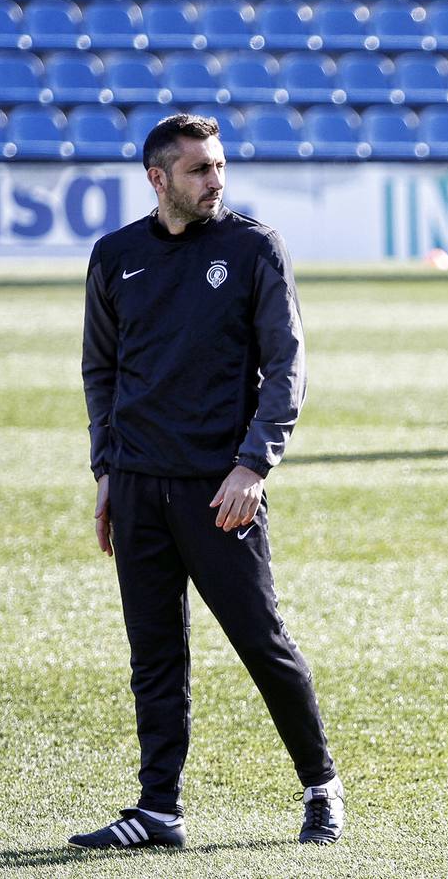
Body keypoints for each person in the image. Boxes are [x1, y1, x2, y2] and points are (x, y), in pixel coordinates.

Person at [74, 114, 343, 849]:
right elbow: (102, 370)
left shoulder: (255, 248)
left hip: (220, 489)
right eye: (198, 169)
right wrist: (107, 472)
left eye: (219, 166)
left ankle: (321, 786)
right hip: (136, 486)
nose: (215, 180)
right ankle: (157, 810)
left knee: (262, 641)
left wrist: (254, 464)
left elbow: (286, 367)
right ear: (158, 178)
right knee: (154, 655)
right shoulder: (115, 255)